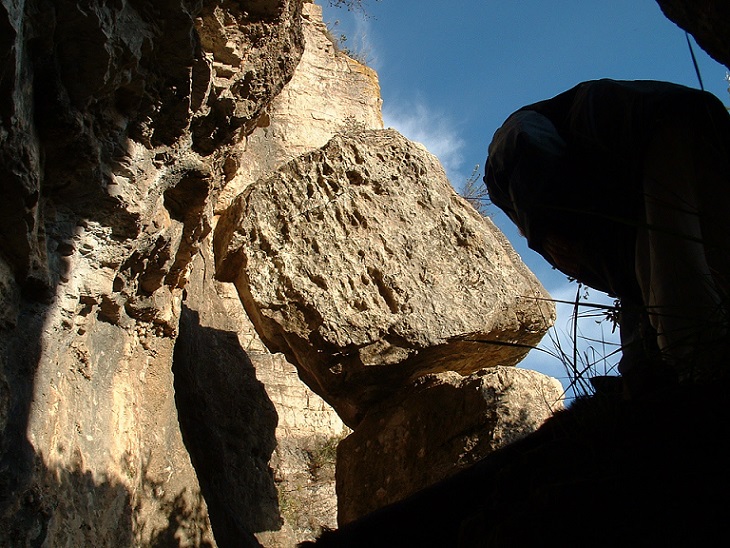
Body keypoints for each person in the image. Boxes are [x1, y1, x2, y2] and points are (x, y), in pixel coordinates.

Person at [484, 79, 730, 395]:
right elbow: (637, 293)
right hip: (698, 125)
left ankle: (703, 384)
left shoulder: (507, 161)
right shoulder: (624, 208)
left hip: (659, 129)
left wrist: (544, 225)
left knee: (683, 298)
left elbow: (522, 137)